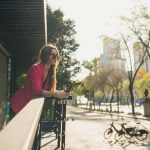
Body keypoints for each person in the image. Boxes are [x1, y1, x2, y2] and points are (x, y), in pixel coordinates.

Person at [10, 44, 70, 118]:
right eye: (53, 55)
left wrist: (62, 93)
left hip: (31, 107)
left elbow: (49, 91)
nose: (55, 57)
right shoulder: (35, 68)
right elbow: (37, 91)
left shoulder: (51, 72)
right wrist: (56, 93)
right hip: (19, 104)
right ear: (45, 55)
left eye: (56, 55)